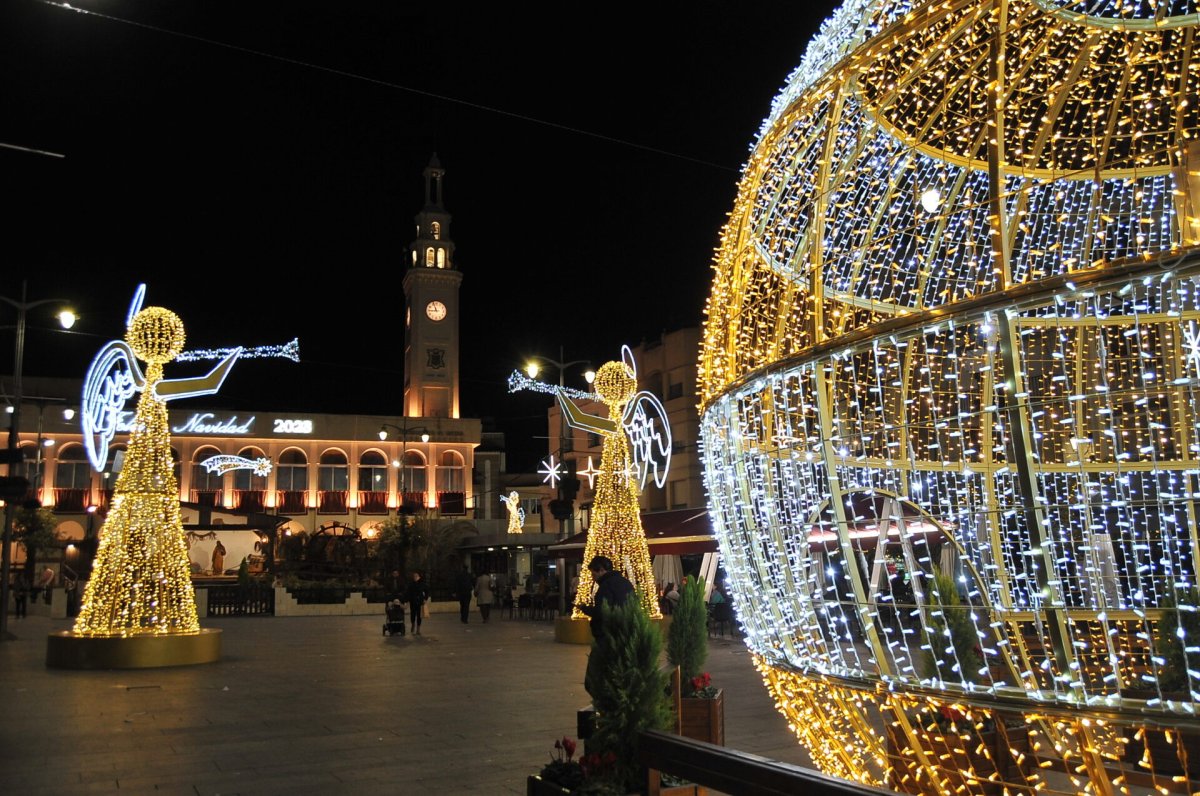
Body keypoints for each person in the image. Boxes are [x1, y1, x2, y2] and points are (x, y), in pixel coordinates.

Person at [576, 555, 633, 639]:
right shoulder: (625, 582)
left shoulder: (606, 586)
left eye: (593, 574)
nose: (593, 578)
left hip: (609, 633)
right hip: (626, 630)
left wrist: (584, 608)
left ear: (602, 570)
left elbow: (601, 611)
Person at [407, 571, 428, 635]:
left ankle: (418, 629)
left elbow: (426, 591)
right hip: (413, 601)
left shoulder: (422, 584)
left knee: (419, 616)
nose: (415, 577)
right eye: (414, 576)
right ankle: (413, 624)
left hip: (420, 601)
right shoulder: (411, 584)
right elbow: (408, 592)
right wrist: (408, 599)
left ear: (419, 576)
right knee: (413, 615)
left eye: (416, 576)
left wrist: (425, 599)